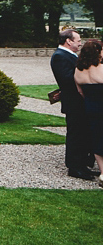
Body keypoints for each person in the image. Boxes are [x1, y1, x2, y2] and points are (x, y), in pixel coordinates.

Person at [51, 28, 95, 180]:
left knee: (83, 134)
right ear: (68, 41)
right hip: (74, 102)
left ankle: (83, 165)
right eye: (78, 40)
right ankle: (74, 167)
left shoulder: (68, 55)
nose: (80, 43)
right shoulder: (59, 56)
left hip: (79, 102)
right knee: (75, 135)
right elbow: (67, 79)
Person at [74, 39, 103, 186]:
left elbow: (81, 92)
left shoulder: (78, 70)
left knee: (97, 138)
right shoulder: (101, 68)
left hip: (91, 107)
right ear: (98, 52)